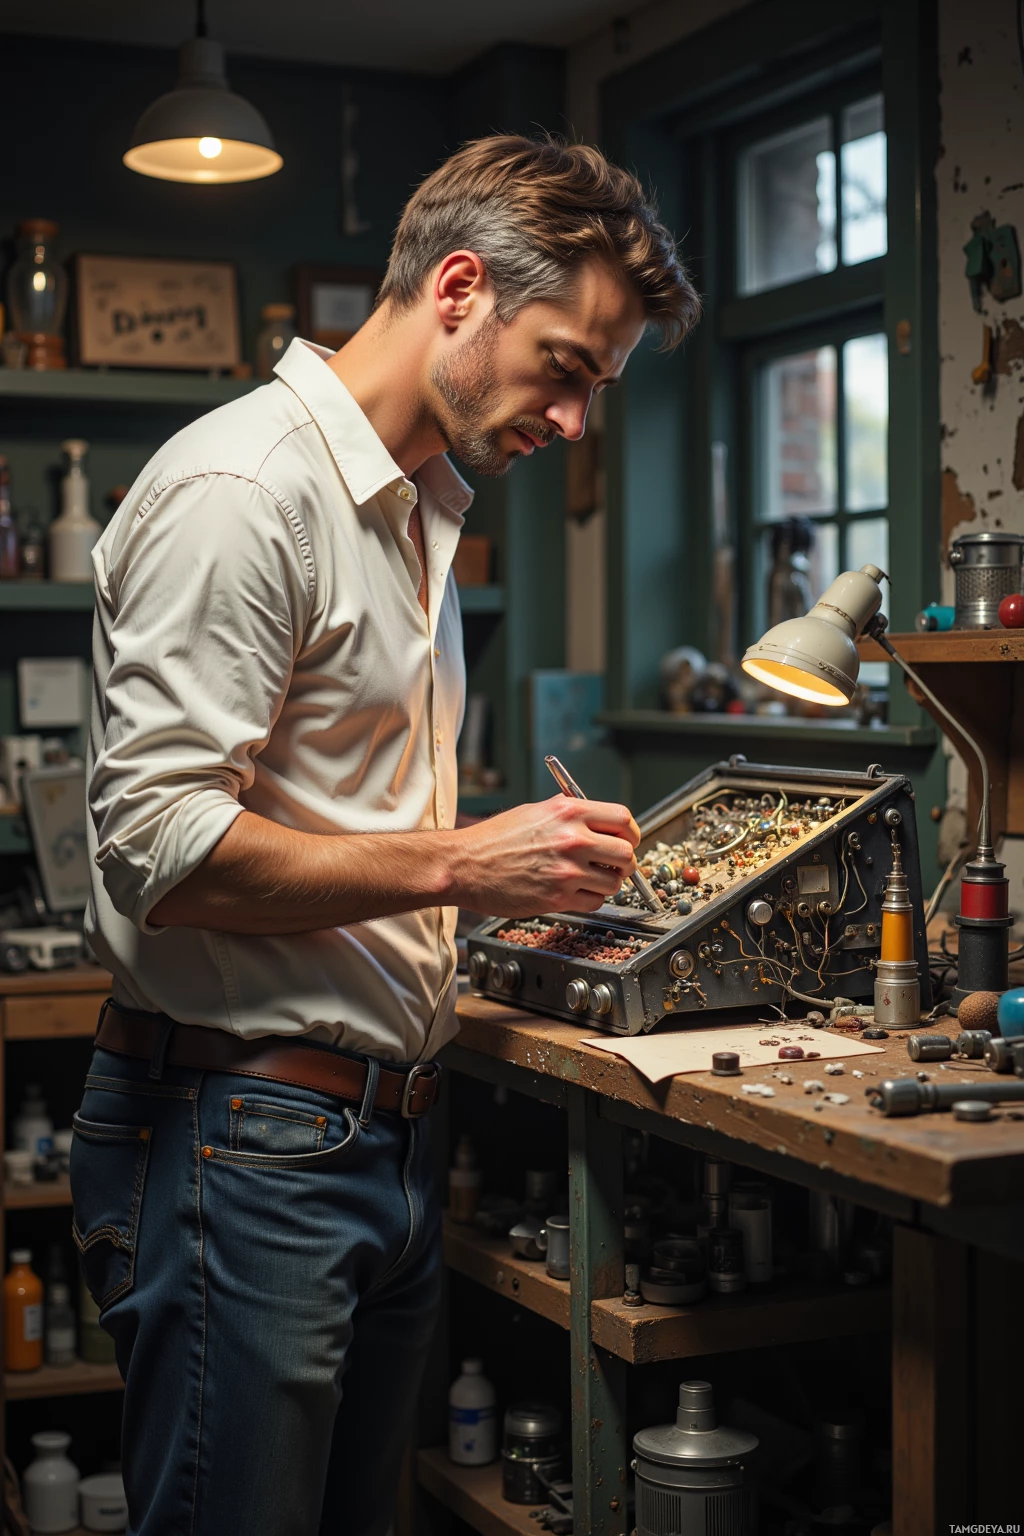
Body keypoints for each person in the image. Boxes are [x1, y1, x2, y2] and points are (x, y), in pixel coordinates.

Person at [71, 133, 701, 1536]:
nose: (578, 419)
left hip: (384, 1139)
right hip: (245, 1133)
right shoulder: (247, 493)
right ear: (462, 290)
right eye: (570, 366)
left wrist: (484, 885)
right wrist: (467, 864)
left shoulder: (414, 513)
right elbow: (159, 851)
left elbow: (324, 824)